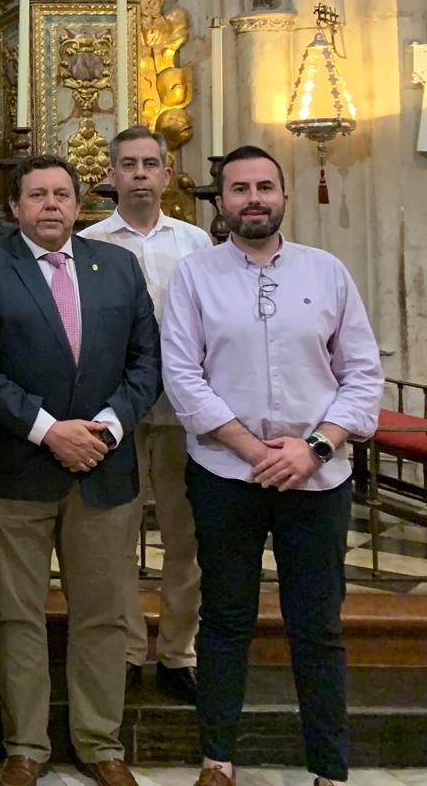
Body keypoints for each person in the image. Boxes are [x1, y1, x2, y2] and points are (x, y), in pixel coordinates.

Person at [160, 146, 383, 786]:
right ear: (220, 200)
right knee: (226, 619)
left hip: (317, 478)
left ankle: (328, 768)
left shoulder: (328, 271)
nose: (252, 198)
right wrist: (255, 450)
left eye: (264, 186)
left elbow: (363, 375)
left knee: (317, 625)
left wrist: (313, 447)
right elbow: (183, 377)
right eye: (238, 188)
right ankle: (217, 760)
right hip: (228, 474)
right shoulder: (194, 276)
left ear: (282, 195)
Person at [0, 155, 159, 786]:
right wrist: (48, 430)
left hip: (102, 465)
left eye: (62, 195)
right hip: (16, 466)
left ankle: (100, 744)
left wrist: (106, 427)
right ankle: (26, 747)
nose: (50, 205)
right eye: (36, 195)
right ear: (15, 206)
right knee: (16, 612)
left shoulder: (118, 266)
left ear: (78, 204)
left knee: (102, 613)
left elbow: (147, 361)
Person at [81, 126, 213, 702]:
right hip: (116, 410)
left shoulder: (195, 243)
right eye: (127, 164)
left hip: (185, 411)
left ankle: (179, 651)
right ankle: (129, 648)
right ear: (111, 175)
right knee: (115, 534)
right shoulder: (89, 243)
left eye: (149, 164)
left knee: (186, 536)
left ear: (165, 173)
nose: (138, 174)